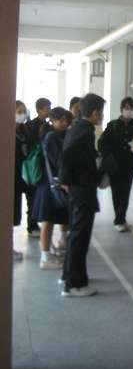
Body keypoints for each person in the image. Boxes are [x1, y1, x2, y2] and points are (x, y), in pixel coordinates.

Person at [60, 93, 105, 298]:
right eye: (101, 112)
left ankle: (68, 275)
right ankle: (74, 284)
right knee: (80, 236)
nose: (101, 116)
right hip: (82, 189)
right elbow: (68, 156)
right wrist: (66, 179)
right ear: (95, 112)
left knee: (75, 235)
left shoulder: (77, 127)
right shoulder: (84, 131)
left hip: (77, 188)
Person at [32, 107, 70, 270]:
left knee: (52, 219)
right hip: (49, 185)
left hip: (52, 184)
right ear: (52, 121)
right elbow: (58, 161)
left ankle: (50, 251)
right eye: (60, 120)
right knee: (47, 221)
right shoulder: (52, 137)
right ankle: (45, 257)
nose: (64, 123)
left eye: (65, 120)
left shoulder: (60, 135)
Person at [98, 97, 133, 232]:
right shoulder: (112, 125)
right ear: (122, 109)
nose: (129, 111)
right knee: (117, 191)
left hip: (129, 163)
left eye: (132, 108)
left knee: (126, 191)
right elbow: (102, 142)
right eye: (127, 108)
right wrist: (108, 155)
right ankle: (119, 219)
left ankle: (121, 218)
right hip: (115, 164)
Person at [25, 97, 52, 237]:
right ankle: (31, 225)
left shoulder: (48, 125)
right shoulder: (30, 125)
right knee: (31, 196)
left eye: (49, 108)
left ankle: (36, 223)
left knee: (38, 197)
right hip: (34, 165)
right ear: (38, 110)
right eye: (46, 109)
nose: (49, 111)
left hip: (44, 166)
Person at [14, 101, 30, 260]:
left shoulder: (24, 131)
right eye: (19, 111)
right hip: (9, 179)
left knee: (14, 215)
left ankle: (9, 247)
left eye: (24, 111)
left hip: (21, 178)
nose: (22, 114)